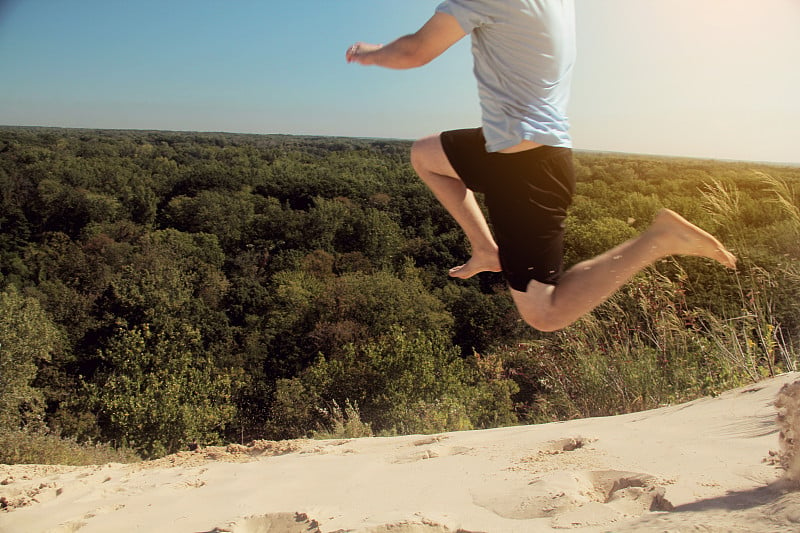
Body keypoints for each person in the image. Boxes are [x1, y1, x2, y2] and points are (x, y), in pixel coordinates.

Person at [346, 0, 736, 332]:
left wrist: (371, 52)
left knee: (544, 314)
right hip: (512, 153)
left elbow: (415, 51)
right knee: (424, 155)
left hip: (528, 173)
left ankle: (659, 239)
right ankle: (485, 250)